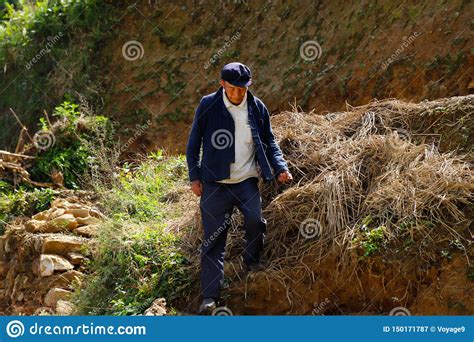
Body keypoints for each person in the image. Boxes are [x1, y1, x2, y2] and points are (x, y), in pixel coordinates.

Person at [186, 62, 293, 314]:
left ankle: (251, 259)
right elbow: (193, 144)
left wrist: (280, 167)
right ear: (222, 84)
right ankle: (210, 296)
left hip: (246, 181)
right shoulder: (208, 105)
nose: (238, 94)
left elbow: (269, 141)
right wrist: (195, 177)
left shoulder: (256, 107)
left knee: (255, 221)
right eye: (233, 88)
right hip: (215, 184)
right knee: (213, 241)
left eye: (243, 89)